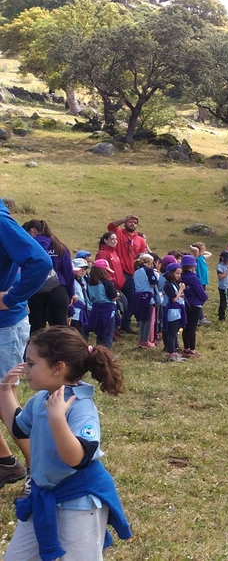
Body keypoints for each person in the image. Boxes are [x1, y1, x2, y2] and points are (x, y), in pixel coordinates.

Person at [0, 327, 132, 560]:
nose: (26, 369)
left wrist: (57, 418)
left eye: (31, 363)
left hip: (79, 500)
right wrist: (4, 391)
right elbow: (19, 428)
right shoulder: (42, 398)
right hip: (44, 496)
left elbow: (77, 458)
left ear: (58, 368)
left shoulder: (80, 406)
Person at [0, 199, 52, 486]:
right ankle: (7, 463)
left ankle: (38, 473)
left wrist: (9, 298)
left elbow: (40, 261)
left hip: (4, 327)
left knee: (4, 399)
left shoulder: (1, 223)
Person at [22, 220, 74, 333]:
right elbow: (68, 273)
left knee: (36, 329)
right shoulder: (59, 246)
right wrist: (70, 293)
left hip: (35, 291)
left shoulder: (29, 246)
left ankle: (36, 350)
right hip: (59, 290)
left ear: (32, 231)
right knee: (61, 331)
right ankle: (63, 350)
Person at [105, 215, 148, 333]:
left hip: (132, 273)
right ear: (125, 224)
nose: (132, 224)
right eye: (130, 222)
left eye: (135, 222)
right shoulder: (119, 234)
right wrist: (124, 219)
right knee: (115, 298)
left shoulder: (140, 240)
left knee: (130, 300)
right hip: (118, 272)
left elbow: (142, 256)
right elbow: (111, 226)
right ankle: (114, 323)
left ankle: (126, 322)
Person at [94, 233, 127, 335]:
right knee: (112, 309)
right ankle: (111, 331)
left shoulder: (114, 253)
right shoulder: (103, 253)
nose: (114, 241)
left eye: (116, 239)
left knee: (121, 307)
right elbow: (102, 270)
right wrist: (111, 281)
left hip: (118, 286)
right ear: (105, 240)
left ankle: (115, 329)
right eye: (112, 239)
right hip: (111, 286)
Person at [85, 261, 118, 350]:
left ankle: (98, 353)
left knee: (99, 334)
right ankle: (106, 356)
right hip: (107, 311)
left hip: (95, 309)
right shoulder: (106, 282)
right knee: (107, 334)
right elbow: (113, 297)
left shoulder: (89, 282)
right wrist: (118, 295)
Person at [180, 255, 207, 357]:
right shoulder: (193, 277)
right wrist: (204, 297)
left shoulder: (181, 276)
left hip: (184, 303)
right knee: (192, 328)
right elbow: (199, 291)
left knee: (185, 326)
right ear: (192, 266)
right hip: (195, 304)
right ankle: (192, 350)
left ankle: (186, 348)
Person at [132, 254, 158, 349]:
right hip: (147, 296)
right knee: (148, 319)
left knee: (142, 319)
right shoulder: (148, 270)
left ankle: (141, 339)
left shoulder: (136, 271)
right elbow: (153, 284)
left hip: (138, 295)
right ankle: (145, 340)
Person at [162, 262, 185, 361]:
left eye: (180, 274)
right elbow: (174, 299)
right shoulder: (167, 285)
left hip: (177, 311)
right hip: (172, 311)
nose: (179, 275)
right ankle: (171, 353)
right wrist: (180, 290)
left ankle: (174, 352)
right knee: (172, 333)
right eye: (177, 273)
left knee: (175, 332)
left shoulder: (173, 284)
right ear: (170, 273)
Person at [189, 243, 212, 325]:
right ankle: (200, 317)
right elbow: (196, 251)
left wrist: (202, 251)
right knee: (200, 299)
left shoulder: (202, 258)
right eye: (201, 250)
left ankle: (200, 315)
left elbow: (210, 254)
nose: (203, 252)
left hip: (204, 281)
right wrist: (194, 249)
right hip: (199, 281)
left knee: (202, 299)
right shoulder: (196, 259)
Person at [216, 251, 228, 321]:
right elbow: (220, 277)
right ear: (222, 258)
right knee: (223, 302)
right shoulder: (220, 266)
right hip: (223, 287)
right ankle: (221, 316)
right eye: (227, 260)